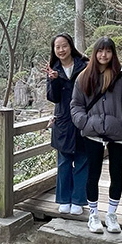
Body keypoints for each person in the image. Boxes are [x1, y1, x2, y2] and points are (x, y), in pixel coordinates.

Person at [70, 36, 122, 234]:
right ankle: (93, 215)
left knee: (116, 174)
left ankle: (111, 214)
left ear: (113, 54)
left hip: (118, 135)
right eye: (100, 51)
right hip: (92, 134)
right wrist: (86, 123)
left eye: (108, 51)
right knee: (93, 174)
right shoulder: (84, 77)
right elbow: (76, 106)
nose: (104, 55)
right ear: (95, 53)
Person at [45, 33, 89, 215]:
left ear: (70, 46)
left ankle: (78, 200)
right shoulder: (53, 69)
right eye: (57, 47)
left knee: (82, 161)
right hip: (63, 120)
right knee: (64, 162)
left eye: (64, 46)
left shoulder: (85, 66)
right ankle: (64, 199)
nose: (61, 50)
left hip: (82, 120)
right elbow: (52, 97)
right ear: (54, 50)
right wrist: (54, 80)